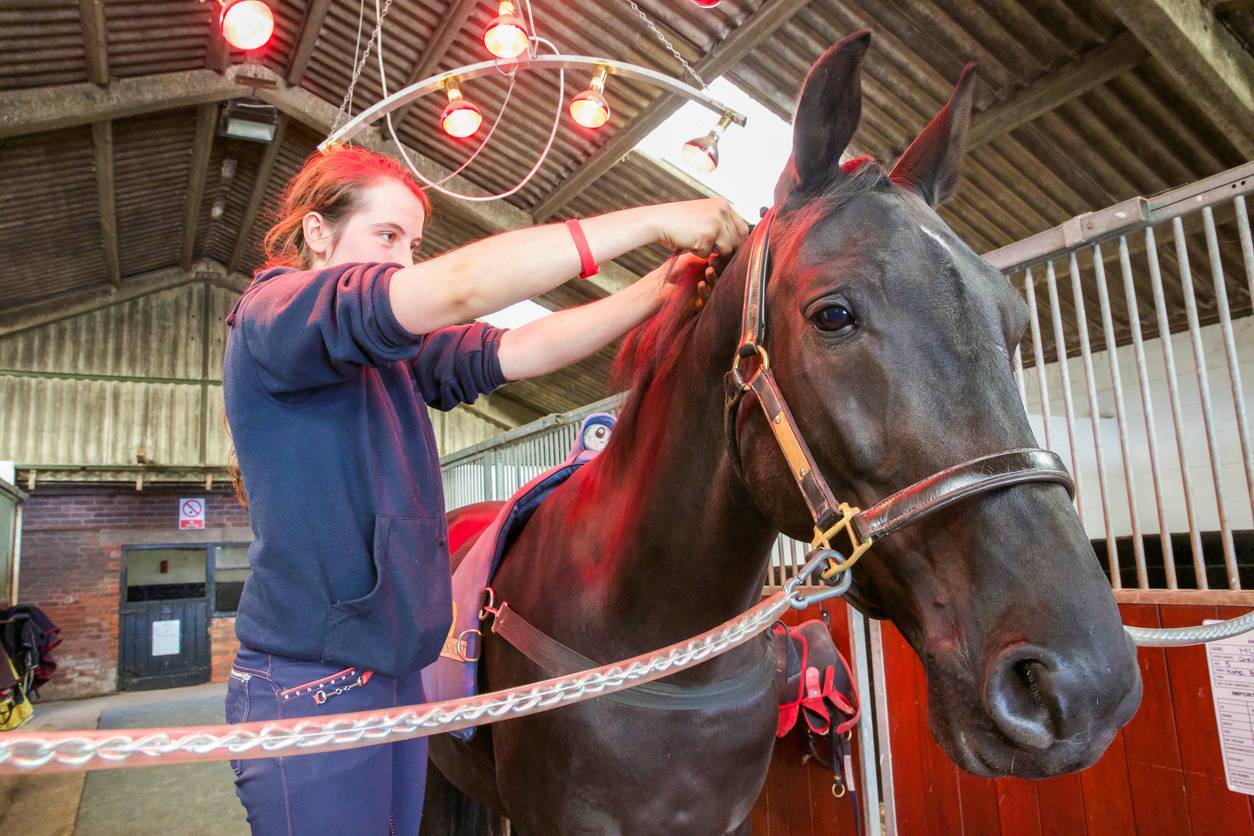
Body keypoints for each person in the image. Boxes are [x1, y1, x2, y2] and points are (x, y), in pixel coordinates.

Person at [221, 144, 747, 834]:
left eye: (411, 245)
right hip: (313, 682)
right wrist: (657, 220)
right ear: (317, 233)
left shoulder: (390, 354)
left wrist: (657, 291)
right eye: (386, 236)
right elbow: (464, 284)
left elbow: (519, 350)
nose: (401, 261)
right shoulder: (276, 311)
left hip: (397, 671)